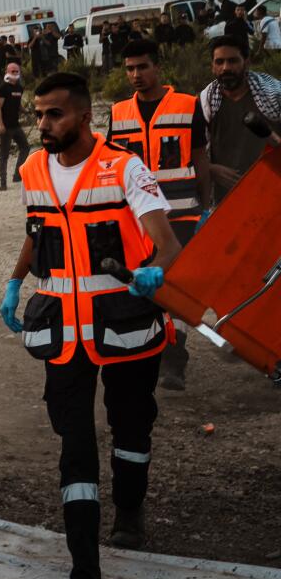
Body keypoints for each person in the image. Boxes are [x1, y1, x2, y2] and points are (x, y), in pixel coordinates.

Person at [0, 72, 182, 579]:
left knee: (131, 427)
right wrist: (14, 281)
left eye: (53, 114)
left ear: (83, 116)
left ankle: (130, 511)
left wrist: (155, 272)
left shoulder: (126, 167)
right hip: (64, 337)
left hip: (124, 327)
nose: (42, 125)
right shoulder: (33, 168)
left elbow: (168, 242)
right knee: (74, 449)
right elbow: (38, 229)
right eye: (37, 115)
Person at [111, 40, 212, 391]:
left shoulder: (187, 106)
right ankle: (149, 351)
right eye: (130, 68)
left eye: (142, 67)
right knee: (145, 286)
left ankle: (175, 360)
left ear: (158, 67)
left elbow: (200, 158)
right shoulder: (118, 112)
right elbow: (112, 164)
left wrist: (207, 206)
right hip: (139, 216)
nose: (136, 74)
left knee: (175, 286)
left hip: (183, 212)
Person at [199, 35, 281, 203]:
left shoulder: (273, 95)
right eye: (219, 62)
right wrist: (210, 169)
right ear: (212, 67)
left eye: (233, 61)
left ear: (247, 62)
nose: (225, 68)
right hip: (227, 202)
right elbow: (191, 152)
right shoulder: (204, 102)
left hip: (273, 195)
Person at [0, 62, 30, 191]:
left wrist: (25, 111)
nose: (15, 73)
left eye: (17, 71)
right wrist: (0, 124)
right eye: (12, 71)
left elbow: (18, 104)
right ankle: (3, 183)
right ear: (7, 72)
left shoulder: (19, 88)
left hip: (16, 125)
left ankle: (17, 175)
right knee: (4, 155)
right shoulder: (3, 88)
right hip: (6, 127)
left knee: (25, 147)